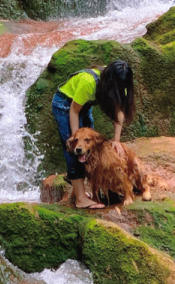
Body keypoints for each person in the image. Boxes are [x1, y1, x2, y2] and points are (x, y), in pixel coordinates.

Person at [51, 60, 136, 209]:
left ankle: (78, 191)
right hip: (65, 105)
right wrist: (75, 138)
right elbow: (74, 111)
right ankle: (81, 199)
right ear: (109, 81)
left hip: (84, 106)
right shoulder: (88, 81)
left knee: (92, 147)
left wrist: (116, 140)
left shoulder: (119, 83)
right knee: (74, 149)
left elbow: (119, 112)